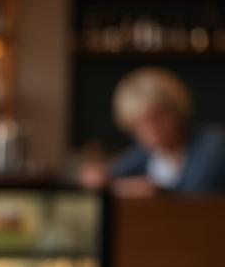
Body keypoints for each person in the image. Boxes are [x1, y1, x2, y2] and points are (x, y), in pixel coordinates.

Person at [80, 67, 225, 196]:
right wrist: (98, 176)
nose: (151, 130)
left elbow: (194, 199)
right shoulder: (146, 153)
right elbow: (104, 176)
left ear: (176, 111)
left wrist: (158, 193)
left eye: (157, 118)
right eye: (140, 124)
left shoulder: (213, 146)